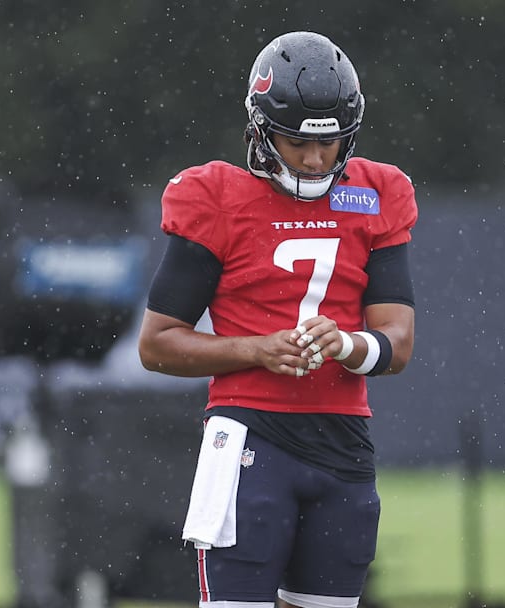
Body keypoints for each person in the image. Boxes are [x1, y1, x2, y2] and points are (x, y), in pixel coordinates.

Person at [138, 31, 417, 608]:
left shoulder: (377, 192)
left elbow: (398, 342)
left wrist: (344, 343)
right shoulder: (213, 196)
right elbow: (157, 345)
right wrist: (255, 349)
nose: (316, 159)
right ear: (262, 130)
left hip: (344, 443)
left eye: (331, 143)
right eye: (297, 143)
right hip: (249, 438)